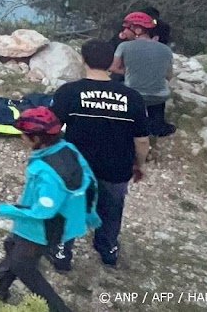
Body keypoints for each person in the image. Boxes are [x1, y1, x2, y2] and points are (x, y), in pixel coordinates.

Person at [0, 107, 100, 312]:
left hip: (42, 229)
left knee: (23, 265)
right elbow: (90, 182)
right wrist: (90, 213)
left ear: (37, 138)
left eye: (24, 134)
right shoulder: (68, 149)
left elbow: (42, 212)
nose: (21, 137)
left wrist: (2, 209)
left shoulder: (46, 172)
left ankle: (57, 308)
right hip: (59, 222)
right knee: (12, 246)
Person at [49, 39, 149, 270]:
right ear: (111, 63)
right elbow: (142, 140)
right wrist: (139, 164)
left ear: (83, 60)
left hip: (77, 167)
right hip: (116, 167)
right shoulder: (132, 97)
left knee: (71, 207)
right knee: (112, 209)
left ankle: (63, 254)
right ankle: (108, 250)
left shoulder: (69, 92)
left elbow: (51, 129)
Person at [112, 12, 176, 138]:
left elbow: (114, 68)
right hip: (159, 96)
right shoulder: (166, 49)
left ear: (138, 29)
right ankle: (157, 126)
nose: (124, 32)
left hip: (134, 96)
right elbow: (169, 76)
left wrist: (129, 71)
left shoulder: (124, 46)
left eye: (127, 28)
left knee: (115, 81)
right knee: (157, 92)